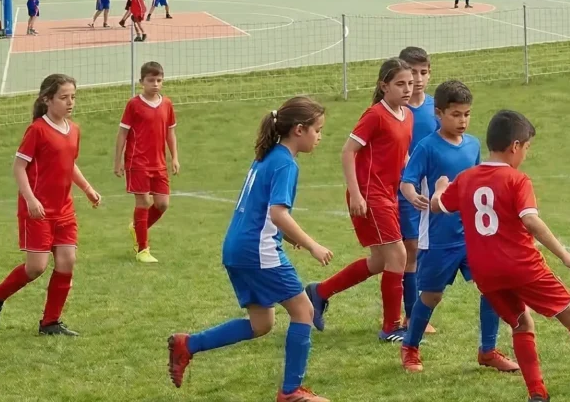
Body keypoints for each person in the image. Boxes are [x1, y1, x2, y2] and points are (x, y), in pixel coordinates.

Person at [435, 110, 570, 402]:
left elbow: (437, 206)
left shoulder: (466, 178)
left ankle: (537, 394)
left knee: (521, 323)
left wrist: (439, 189)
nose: (525, 154)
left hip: (485, 273)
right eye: (526, 147)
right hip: (522, 266)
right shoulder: (516, 180)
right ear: (514, 146)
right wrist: (565, 256)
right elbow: (531, 221)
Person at [166, 98, 332, 402]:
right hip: (258, 250)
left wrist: (287, 236)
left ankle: (187, 345)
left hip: (237, 247)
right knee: (304, 311)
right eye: (317, 130)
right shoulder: (285, 163)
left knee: (261, 324)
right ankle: (291, 392)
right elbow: (278, 214)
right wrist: (312, 245)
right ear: (299, 130)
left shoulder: (267, 157)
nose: (320, 137)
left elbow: (261, 208)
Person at [398, 81, 519, 374]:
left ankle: (488, 351)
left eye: (467, 114)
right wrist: (413, 195)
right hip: (437, 236)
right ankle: (410, 348)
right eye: (455, 114)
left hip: (472, 236)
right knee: (432, 296)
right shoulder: (427, 147)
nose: (463, 120)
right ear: (439, 113)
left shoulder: (474, 145)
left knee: (492, 289)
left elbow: (480, 180)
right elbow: (406, 182)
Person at [0, 74, 101, 337]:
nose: (70, 102)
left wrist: (88, 188)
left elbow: (68, 165)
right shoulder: (37, 130)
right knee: (36, 267)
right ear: (47, 99)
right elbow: (19, 167)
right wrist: (31, 199)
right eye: (63, 97)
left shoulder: (74, 130)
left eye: (73, 97)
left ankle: (50, 323)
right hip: (37, 210)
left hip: (64, 210)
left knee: (67, 262)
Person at [306, 58, 414, 342]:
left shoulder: (408, 115)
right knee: (398, 256)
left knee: (380, 261)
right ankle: (392, 327)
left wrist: (411, 182)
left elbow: (401, 155)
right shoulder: (375, 115)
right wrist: (356, 193)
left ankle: (319, 292)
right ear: (384, 86)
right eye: (400, 83)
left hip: (388, 195)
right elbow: (347, 151)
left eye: (410, 83)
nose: (406, 89)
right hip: (370, 195)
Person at [114, 61, 179, 263]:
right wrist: (118, 161)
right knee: (143, 202)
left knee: (162, 203)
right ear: (142, 81)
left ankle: (137, 228)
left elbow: (170, 132)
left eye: (159, 80)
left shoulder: (167, 104)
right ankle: (143, 249)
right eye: (151, 80)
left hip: (158, 163)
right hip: (137, 162)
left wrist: (174, 157)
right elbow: (122, 133)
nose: (155, 84)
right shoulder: (134, 105)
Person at [397, 47, 434, 330]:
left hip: (432, 193)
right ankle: (410, 315)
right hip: (405, 190)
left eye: (423, 72)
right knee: (410, 249)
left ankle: (322, 291)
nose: (418, 79)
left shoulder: (436, 107)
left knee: (420, 251)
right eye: (413, 73)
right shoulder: (398, 110)